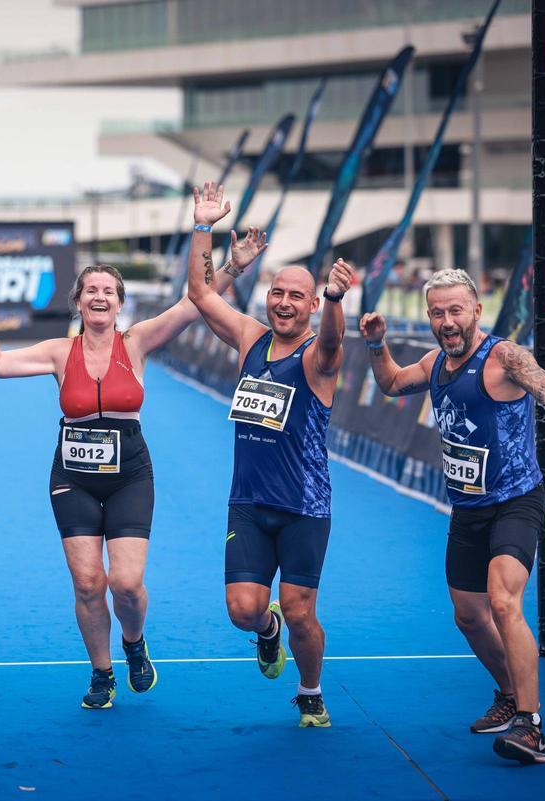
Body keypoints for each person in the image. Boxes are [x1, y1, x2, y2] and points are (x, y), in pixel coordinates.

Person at [0, 195, 266, 709]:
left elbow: (192, 303)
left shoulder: (137, 343)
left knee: (126, 584)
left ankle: (133, 643)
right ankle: (101, 672)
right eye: (92, 290)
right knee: (89, 582)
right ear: (79, 301)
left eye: (109, 290)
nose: (100, 297)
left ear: (120, 301)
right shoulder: (57, 352)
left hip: (131, 471)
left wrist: (231, 267)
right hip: (73, 475)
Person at [359, 269, 545, 765]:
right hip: (467, 508)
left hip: (516, 501)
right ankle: (507, 695)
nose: (447, 321)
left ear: (477, 310)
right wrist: (376, 344)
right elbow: (391, 383)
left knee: (503, 601)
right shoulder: (435, 363)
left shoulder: (503, 358)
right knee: (468, 616)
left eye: (456, 310)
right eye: (438, 312)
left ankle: (531, 724)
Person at [185, 183, 349, 728]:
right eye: (278, 292)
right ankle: (267, 631)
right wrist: (204, 229)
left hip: (304, 507)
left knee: (303, 612)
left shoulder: (317, 358)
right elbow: (202, 297)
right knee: (244, 611)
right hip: (249, 502)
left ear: (308, 304)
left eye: (295, 297)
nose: (283, 302)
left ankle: (310, 690)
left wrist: (331, 301)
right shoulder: (251, 338)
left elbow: (330, 343)